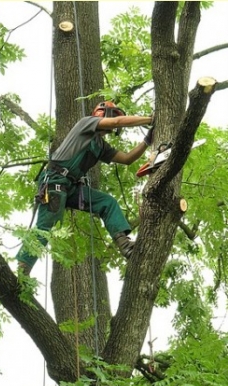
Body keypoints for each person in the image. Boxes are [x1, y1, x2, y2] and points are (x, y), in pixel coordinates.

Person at [17, 101, 154, 275]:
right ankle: (22, 270)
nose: (112, 127)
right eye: (113, 118)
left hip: (71, 188)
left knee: (107, 202)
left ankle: (125, 245)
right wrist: (149, 119)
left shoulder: (101, 145)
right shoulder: (86, 123)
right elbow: (118, 123)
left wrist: (147, 141)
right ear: (104, 114)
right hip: (55, 181)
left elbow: (127, 159)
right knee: (46, 224)